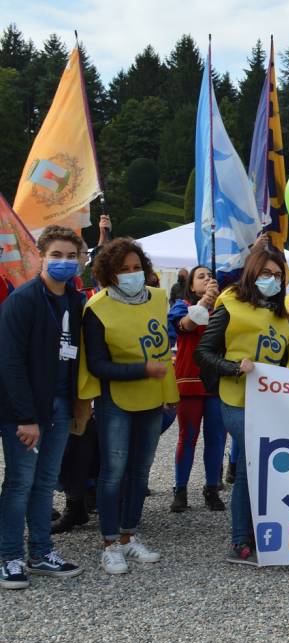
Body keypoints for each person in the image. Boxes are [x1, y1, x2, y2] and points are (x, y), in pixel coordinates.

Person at [79, 238, 179, 575]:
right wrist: (141, 370)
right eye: (124, 270)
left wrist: (168, 389)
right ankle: (109, 543)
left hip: (152, 398)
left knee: (141, 469)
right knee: (113, 472)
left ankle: (128, 534)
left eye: (137, 268)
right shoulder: (96, 308)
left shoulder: (158, 299)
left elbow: (163, 349)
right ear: (109, 274)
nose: (133, 274)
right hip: (116, 401)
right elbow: (97, 365)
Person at [195, 246, 289, 565]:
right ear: (253, 274)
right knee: (255, 460)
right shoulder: (231, 304)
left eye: (278, 275)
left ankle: (252, 535)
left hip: (269, 405)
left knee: (251, 468)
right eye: (265, 274)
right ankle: (241, 538)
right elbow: (204, 352)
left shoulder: (282, 316)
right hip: (236, 398)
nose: (272, 280)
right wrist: (233, 367)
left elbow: (279, 362)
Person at [0, 226, 87, 588]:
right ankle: (9, 558)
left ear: (81, 260)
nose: (64, 262)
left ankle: (41, 551)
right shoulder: (22, 301)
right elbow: (10, 362)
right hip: (26, 411)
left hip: (60, 405)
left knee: (46, 482)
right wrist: (25, 417)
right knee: (20, 482)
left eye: (71, 256)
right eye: (57, 255)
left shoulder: (76, 300)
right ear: (41, 256)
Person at [167, 265, 226, 513]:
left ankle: (211, 488)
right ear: (191, 285)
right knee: (187, 437)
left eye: (210, 276)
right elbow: (186, 326)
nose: (207, 279)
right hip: (190, 381)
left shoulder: (225, 310)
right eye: (201, 276)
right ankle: (180, 490)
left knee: (216, 440)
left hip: (217, 382)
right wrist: (203, 302)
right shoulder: (181, 305)